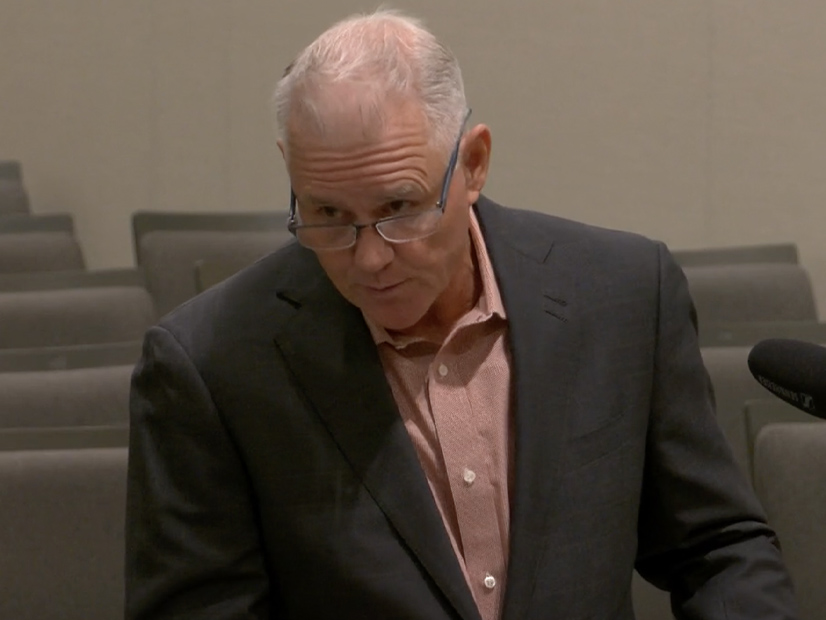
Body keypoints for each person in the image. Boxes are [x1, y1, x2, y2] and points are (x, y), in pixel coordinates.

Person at [125, 9, 799, 620]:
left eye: (398, 210)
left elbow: (716, 548)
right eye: (327, 215)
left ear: (473, 163)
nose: (369, 260)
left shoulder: (623, 297)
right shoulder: (211, 365)